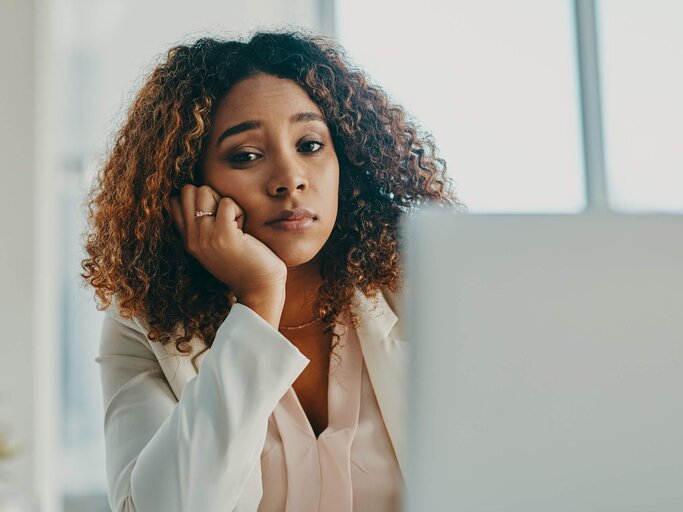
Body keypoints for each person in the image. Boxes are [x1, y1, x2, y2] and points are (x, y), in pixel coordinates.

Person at [82, 30, 460, 512]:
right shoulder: (144, 320)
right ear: (188, 186)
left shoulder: (424, 290)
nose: (290, 179)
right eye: (246, 156)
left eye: (310, 144)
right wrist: (259, 300)